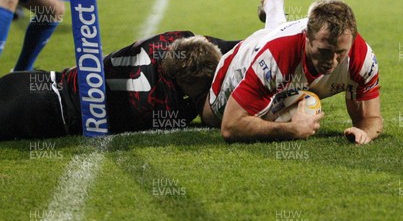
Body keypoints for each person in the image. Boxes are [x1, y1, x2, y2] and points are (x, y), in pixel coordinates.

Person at [203, 0, 382, 145]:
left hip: (283, 53)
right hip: (243, 60)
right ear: (307, 37)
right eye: (324, 52)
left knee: (278, 34)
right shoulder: (274, 58)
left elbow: (371, 119)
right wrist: (291, 130)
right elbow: (230, 127)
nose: (332, 61)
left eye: (340, 53)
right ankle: (273, 2)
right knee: (210, 118)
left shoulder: (362, 57)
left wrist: (363, 132)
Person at [0, 31, 240, 140]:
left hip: (37, 80)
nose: (209, 87)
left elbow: (221, 47)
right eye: (203, 86)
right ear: (184, 81)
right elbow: (209, 115)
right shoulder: (156, 105)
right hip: (41, 111)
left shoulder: (172, 42)